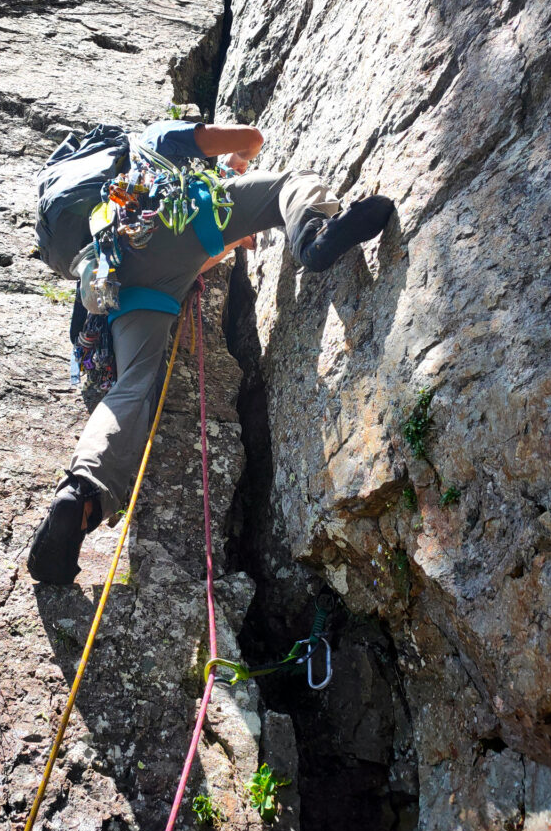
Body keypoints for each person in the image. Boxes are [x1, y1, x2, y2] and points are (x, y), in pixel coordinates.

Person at [27, 120, 393, 584]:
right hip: (172, 223)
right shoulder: (153, 140)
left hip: (115, 277)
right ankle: (312, 234)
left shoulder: (93, 209)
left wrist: (224, 240)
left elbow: (181, 262)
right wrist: (233, 165)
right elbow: (252, 137)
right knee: (287, 186)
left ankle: (80, 495)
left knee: (132, 386)